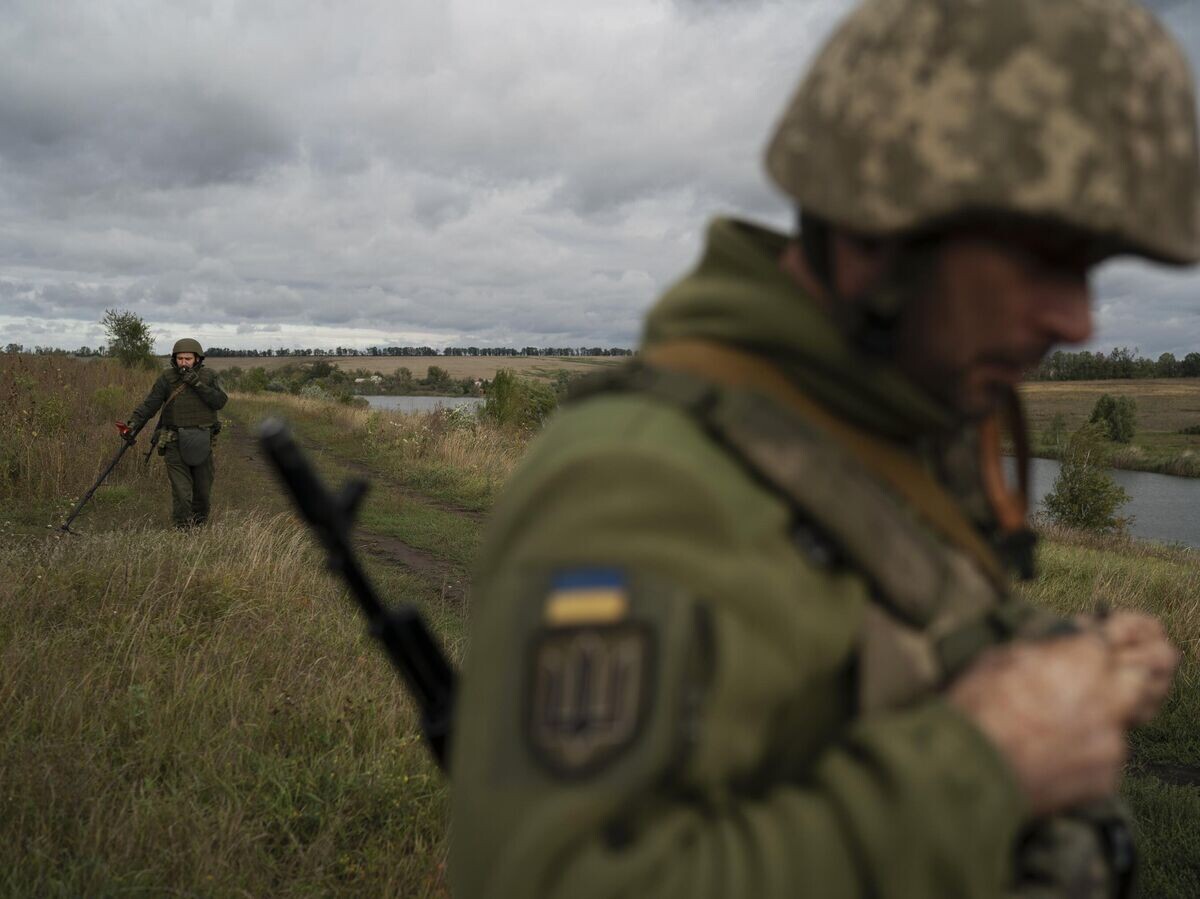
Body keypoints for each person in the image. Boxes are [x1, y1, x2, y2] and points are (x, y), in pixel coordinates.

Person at [450, 0, 1192, 896]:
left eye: (1091, 266)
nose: (1078, 321)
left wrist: (1069, 663)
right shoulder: (637, 483)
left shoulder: (891, 424)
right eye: (1042, 256)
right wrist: (986, 764)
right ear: (879, 230)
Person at [125, 338, 228, 529]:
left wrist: (197, 384)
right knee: (182, 493)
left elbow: (220, 401)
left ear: (197, 359)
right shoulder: (167, 378)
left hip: (203, 442)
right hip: (174, 442)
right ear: (175, 359)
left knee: (203, 494)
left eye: (188, 358)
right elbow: (150, 405)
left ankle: (199, 529)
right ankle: (182, 531)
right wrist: (133, 424)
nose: (183, 362)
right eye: (180, 358)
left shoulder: (210, 376)